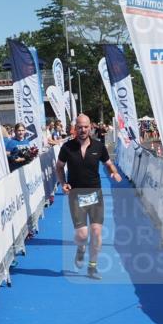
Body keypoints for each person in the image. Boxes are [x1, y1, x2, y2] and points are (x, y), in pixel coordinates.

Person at [56, 114, 122, 280]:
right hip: (76, 195)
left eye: (86, 127)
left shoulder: (99, 146)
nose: (83, 130)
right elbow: (59, 167)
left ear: (90, 128)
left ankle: (92, 267)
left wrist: (114, 173)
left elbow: (108, 164)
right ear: (75, 128)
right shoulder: (67, 147)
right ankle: (81, 248)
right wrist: (63, 183)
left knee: (96, 231)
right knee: (82, 235)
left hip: (95, 194)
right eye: (80, 127)